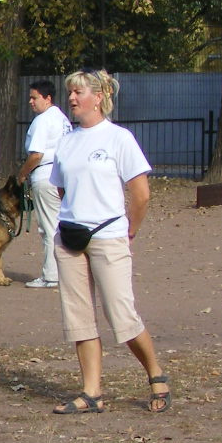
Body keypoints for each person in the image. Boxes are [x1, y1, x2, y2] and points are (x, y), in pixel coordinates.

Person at [49, 68, 168, 415]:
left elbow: (141, 194)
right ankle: (91, 392)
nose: (72, 98)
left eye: (79, 92)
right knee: (80, 319)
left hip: (109, 235)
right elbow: (60, 187)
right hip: (69, 238)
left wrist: (129, 230)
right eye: (70, 92)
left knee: (122, 316)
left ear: (98, 97)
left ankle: (156, 373)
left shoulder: (119, 138)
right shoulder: (67, 140)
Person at [17, 79, 69, 288]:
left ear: (47, 98)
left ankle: (51, 274)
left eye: (34, 97)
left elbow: (36, 154)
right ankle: (62, 270)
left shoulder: (42, 120)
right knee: (59, 224)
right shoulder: (62, 118)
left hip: (45, 175)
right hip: (61, 175)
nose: (31, 101)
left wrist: (22, 174)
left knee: (48, 227)